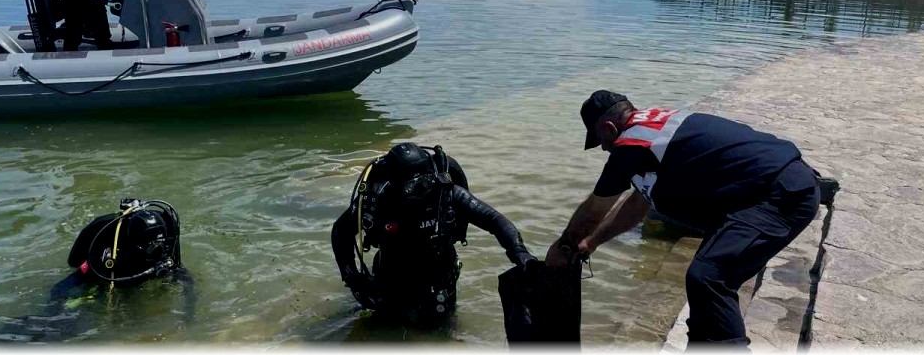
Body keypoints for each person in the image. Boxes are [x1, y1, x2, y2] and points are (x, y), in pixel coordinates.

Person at [546, 91, 824, 348]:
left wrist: (564, 245)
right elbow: (637, 203)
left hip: (782, 196)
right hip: (774, 187)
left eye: (601, 142)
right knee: (703, 290)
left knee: (709, 279)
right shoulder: (655, 129)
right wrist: (592, 242)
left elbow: (595, 208)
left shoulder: (630, 144)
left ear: (609, 128)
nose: (605, 149)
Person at [332, 142, 536, 324]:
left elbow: (494, 220)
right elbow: (341, 231)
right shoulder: (376, 202)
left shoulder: (447, 194)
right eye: (412, 187)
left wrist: (519, 252)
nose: (422, 191)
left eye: (426, 182)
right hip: (391, 281)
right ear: (395, 184)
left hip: (440, 280)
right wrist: (353, 278)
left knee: (441, 335)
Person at [0, 197, 195, 342]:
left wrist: (189, 313)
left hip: (127, 285)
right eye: (148, 247)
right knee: (68, 320)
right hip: (98, 279)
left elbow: (182, 275)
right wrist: (57, 308)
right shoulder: (110, 246)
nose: (154, 251)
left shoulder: (167, 242)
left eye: (156, 246)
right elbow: (75, 270)